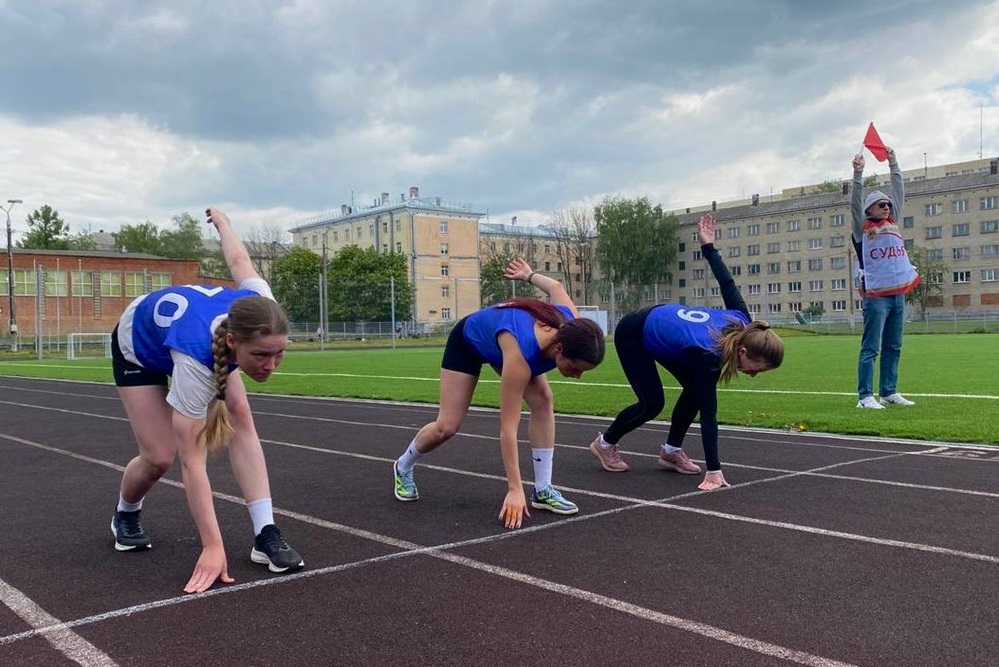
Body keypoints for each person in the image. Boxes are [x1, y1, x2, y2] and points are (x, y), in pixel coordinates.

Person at [110, 207, 303, 594]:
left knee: (242, 418)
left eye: (278, 353)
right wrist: (213, 547)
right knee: (160, 456)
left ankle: (266, 532)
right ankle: (125, 514)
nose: (271, 366)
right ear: (233, 344)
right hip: (139, 348)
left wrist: (225, 224)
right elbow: (193, 463)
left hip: (197, 337)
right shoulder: (197, 357)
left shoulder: (262, 304)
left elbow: (238, 260)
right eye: (262, 356)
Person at [392, 259, 605, 529]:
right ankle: (403, 466)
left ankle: (543, 489)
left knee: (543, 400)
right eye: (575, 368)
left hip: (502, 341)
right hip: (469, 342)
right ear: (560, 350)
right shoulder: (521, 354)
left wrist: (529, 275)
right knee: (447, 426)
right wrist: (514, 489)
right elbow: (507, 429)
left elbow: (555, 286)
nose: (577, 376)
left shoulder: (572, 322)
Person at [588, 213, 784, 491]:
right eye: (756, 368)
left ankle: (670, 451)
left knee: (695, 389)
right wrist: (714, 471)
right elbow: (709, 415)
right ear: (743, 350)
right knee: (652, 403)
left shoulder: (743, 321)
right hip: (635, 331)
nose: (751, 375)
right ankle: (604, 443)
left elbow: (727, 282)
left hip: (666, 330)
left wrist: (708, 246)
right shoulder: (709, 357)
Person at [851, 148, 920, 409]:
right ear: (870, 209)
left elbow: (899, 191)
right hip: (875, 295)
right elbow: (855, 203)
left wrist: (894, 163)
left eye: (888, 204)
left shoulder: (893, 222)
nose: (887, 206)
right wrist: (858, 173)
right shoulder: (861, 229)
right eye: (882, 204)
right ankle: (865, 396)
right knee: (871, 347)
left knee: (894, 345)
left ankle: (889, 391)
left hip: (896, 294)